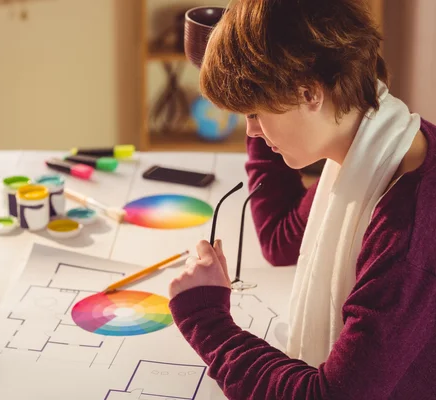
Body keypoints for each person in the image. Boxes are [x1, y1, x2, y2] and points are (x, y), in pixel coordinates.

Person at [167, 0, 436, 399]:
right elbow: (280, 238)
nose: (252, 132)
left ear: (309, 92)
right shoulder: (376, 145)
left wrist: (206, 319)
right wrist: (257, 90)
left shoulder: (407, 233)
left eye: (255, 113)